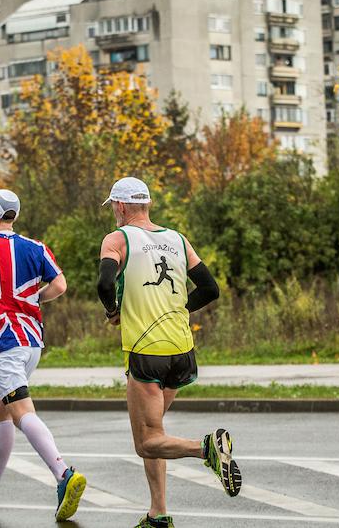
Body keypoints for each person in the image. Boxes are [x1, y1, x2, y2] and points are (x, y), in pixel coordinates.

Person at [95, 176, 238, 528]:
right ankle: (158, 514)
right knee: (157, 434)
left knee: (146, 442)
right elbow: (210, 288)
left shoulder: (117, 238)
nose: (114, 210)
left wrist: (113, 311)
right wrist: (178, 309)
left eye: (114, 205)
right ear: (147, 205)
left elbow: (103, 282)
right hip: (181, 349)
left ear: (122, 206)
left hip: (145, 350)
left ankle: (207, 448)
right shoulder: (177, 239)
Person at [0, 189, 87, 520]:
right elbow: (60, 285)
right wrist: (33, 299)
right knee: (1, 410)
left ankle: (63, 474)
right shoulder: (36, 248)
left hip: (3, 344)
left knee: (22, 411)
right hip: (32, 343)